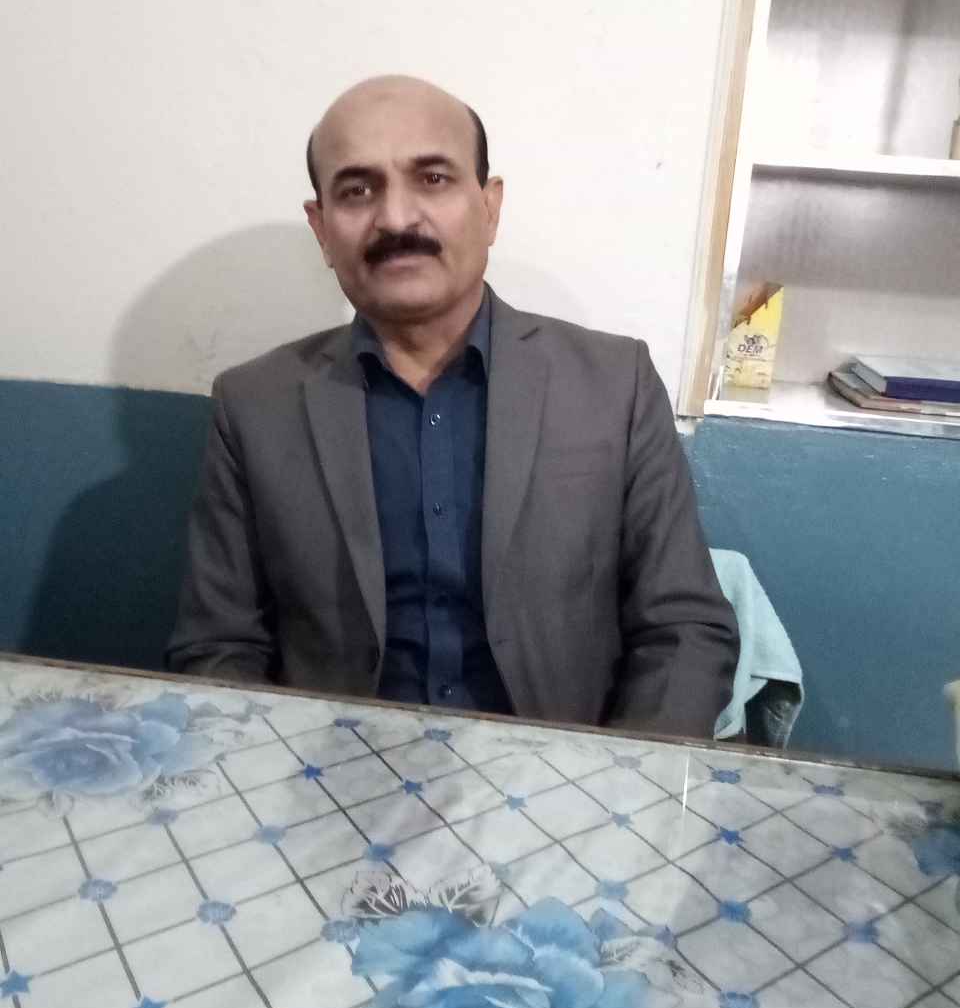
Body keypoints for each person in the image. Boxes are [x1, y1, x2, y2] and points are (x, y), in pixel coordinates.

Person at [167, 75, 739, 737]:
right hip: (327, 778)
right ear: (321, 229)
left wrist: (617, 782)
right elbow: (217, 645)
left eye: (433, 179)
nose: (396, 219)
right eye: (357, 191)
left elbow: (684, 628)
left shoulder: (614, 385)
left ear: (490, 207)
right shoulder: (254, 406)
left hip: (560, 778)